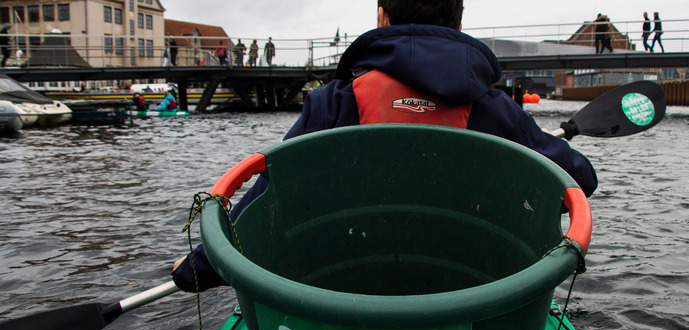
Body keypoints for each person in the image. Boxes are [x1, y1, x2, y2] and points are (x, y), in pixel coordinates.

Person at [172, 0, 598, 293]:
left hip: (346, 299)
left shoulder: (333, 105)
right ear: (460, 23)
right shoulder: (498, 113)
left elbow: (263, 206)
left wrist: (199, 267)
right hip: (471, 299)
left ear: (381, 16)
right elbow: (579, 181)